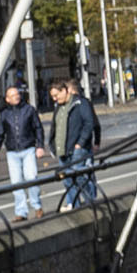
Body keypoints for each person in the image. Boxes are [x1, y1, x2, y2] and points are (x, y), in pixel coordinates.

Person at [0, 84, 45, 220]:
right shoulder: (5, 114)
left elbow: (38, 128)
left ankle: (37, 206)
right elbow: (0, 134)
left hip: (28, 148)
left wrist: (40, 146)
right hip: (12, 152)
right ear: (7, 99)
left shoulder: (29, 110)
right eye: (12, 95)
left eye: (17, 94)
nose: (16, 97)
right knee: (16, 182)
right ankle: (21, 212)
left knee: (31, 177)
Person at [50, 78, 100, 209]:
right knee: (67, 180)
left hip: (77, 148)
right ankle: (74, 206)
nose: (54, 99)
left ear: (64, 91)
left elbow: (89, 123)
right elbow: (55, 126)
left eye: (56, 95)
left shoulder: (80, 103)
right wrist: (53, 145)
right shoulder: (59, 107)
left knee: (79, 177)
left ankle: (90, 202)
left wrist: (80, 143)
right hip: (63, 150)